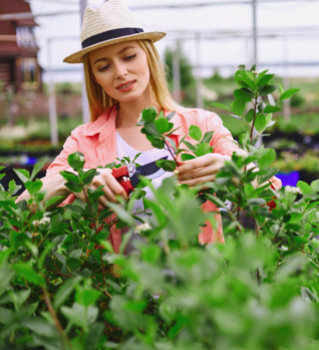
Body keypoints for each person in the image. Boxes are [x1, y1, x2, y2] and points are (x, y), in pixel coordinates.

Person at [16, 0, 281, 253]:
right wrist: (74, 181)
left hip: (201, 292)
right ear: (94, 78)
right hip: (119, 296)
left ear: (148, 56)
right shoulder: (84, 142)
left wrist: (235, 170)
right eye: (104, 66)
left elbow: (275, 201)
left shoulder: (202, 125)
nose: (120, 72)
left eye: (129, 56)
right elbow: (19, 212)